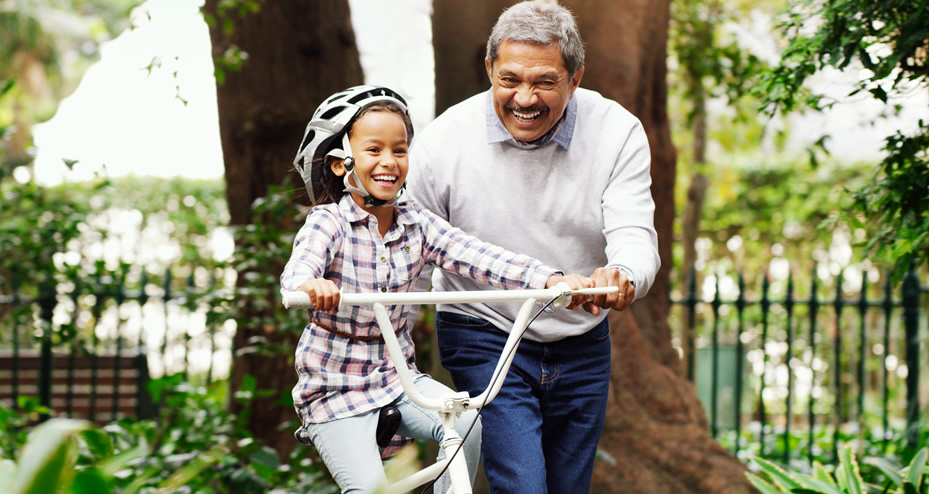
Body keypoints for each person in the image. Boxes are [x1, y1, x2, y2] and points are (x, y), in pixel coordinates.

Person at [281, 85, 592, 494]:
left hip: (396, 376)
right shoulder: (329, 222)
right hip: (335, 385)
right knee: (372, 490)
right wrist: (311, 285)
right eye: (374, 151)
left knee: (466, 422)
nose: (389, 162)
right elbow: (298, 272)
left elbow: (479, 256)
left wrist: (550, 280)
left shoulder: (418, 224)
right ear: (342, 164)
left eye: (400, 149)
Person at [406, 2, 661, 492]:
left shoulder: (617, 131)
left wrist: (623, 273)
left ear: (575, 78)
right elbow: (410, 256)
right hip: (484, 327)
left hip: (582, 336)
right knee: (523, 484)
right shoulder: (443, 143)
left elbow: (635, 232)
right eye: (509, 79)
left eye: (544, 81)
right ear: (488, 70)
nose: (524, 97)